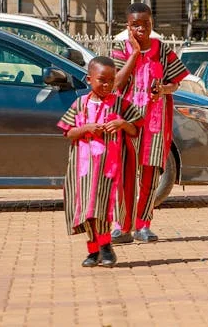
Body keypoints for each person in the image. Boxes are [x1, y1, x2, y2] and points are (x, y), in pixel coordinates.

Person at [110, 3, 189, 243]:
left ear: (151, 23)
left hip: (155, 123)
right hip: (126, 122)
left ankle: (143, 224)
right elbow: (116, 84)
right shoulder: (119, 48)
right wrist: (134, 54)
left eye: (146, 23)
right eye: (136, 24)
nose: (141, 28)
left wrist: (163, 89)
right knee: (124, 173)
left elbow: (176, 82)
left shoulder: (162, 50)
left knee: (149, 174)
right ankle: (120, 226)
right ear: (128, 26)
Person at [57, 56, 143, 267]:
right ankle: (93, 250)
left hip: (109, 170)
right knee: (86, 208)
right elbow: (68, 133)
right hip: (83, 170)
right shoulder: (80, 104)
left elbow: (136, 129)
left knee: (103, 208)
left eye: (111, 80)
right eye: (101, 80)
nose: (106, 85)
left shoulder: (121, 104)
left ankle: (106, 248)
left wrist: (122, 124)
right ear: (89, 79)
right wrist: (86, 129)